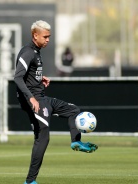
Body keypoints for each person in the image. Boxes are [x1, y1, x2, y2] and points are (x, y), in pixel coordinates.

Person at [14, 20, 98, 184]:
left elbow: (28, 75)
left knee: (74, 110)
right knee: (43, 137)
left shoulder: (36, 52)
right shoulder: (28, 52)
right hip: (34, 101)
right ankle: (30, 181)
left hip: (42, 98)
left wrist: (39, 79)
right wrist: (31, 98)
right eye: (45, 37)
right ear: (35, 35)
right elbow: (17, 77)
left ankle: (76, 141)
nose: (48, 40)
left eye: (49, 37)